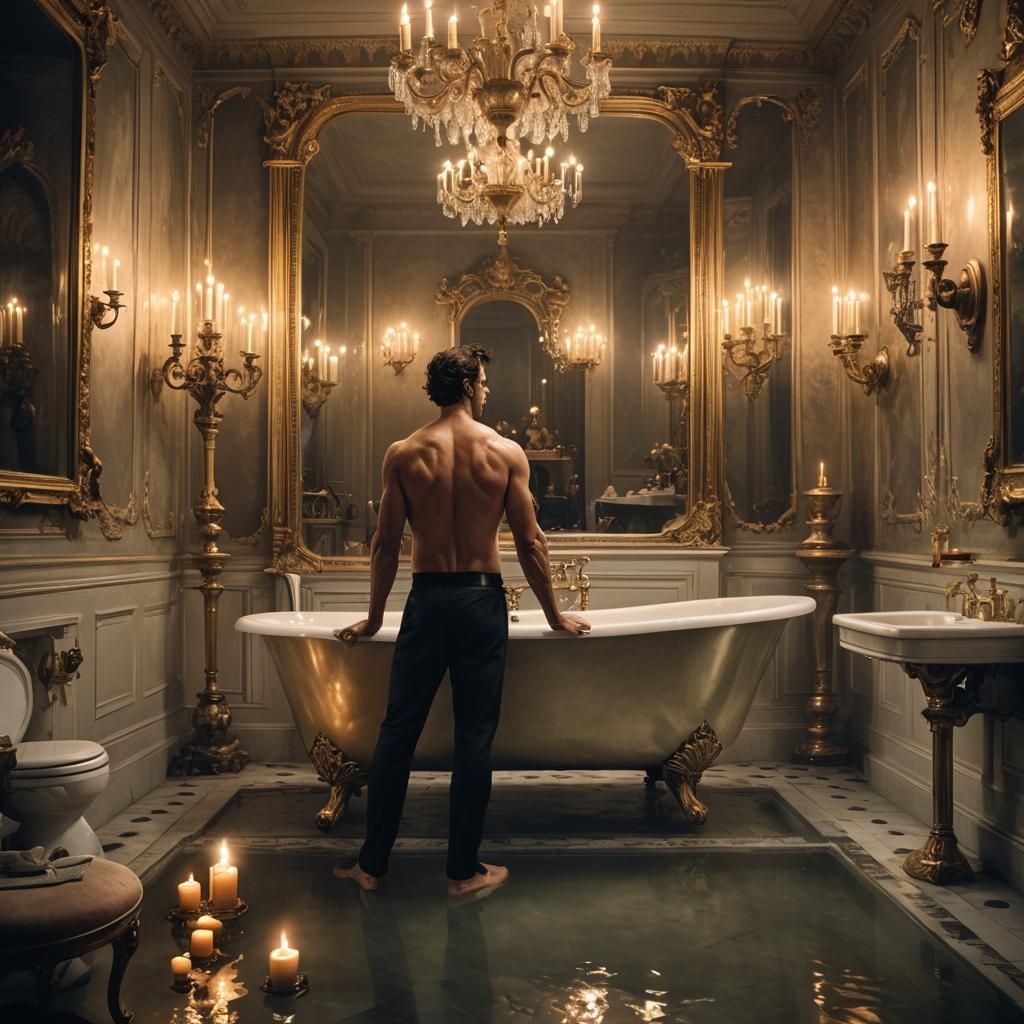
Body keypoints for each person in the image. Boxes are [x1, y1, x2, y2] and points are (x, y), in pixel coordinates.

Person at [335, 345, 591, 899]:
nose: (488, 390)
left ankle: (371, 865)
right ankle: (462, 872)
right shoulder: (504, 452)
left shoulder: (404, 453)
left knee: (397, 732)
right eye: (485, 381)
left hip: (427, 601)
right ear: (472, 384)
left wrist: (377, 615)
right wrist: (554, 614)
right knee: (474, 738)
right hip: (479, 602)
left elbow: (385, 546)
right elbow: (530, 542)